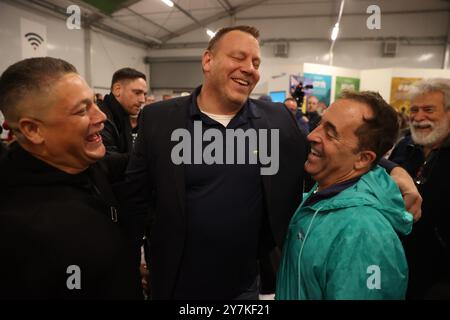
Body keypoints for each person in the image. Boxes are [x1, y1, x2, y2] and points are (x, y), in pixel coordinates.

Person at [119, 25, 421, 300]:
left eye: (256, 62)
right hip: (175, 282)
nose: (249, 69)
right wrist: (132, 264)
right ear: (208, 61)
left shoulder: (276, 121)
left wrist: (393, 168)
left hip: (246, 284)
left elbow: (332, 151)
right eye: (239, 57)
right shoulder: (159, 120)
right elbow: (136, 196)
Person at [0, 57, 141, 299]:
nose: (101, 117)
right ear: (33, 130)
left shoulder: (80, 164)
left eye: (94, 103)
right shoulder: (22, 229)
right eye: (82, 110)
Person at [276, 91, 413, 300]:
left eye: (330, 133)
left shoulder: (365, 232)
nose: (311, 135)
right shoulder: (323, 197)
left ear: (363, 159)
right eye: (321, 123)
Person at [389, 78, 450, 299]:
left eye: (428, 109)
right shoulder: (406, 147)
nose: (418, 117)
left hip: (438, 278)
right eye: (414, 110)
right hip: (397, 264)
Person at [99, 67, 147, 170]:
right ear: (117, 90)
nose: (142, 100)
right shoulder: (101, 117)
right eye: (137, 93)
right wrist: (147, 155)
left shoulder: (123, 115)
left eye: (144, 94)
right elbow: (106, 161)